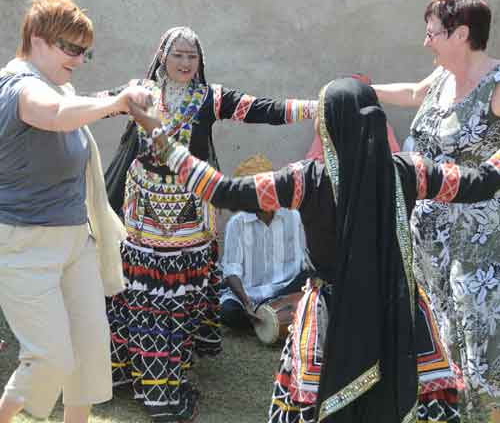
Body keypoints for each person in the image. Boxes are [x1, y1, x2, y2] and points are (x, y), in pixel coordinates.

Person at [128, 77, 500, 422]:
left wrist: (162, 141)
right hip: (398, 311)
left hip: (331, 316)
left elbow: (221, 191)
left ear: (329, 125)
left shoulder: (305, 180)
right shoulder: (409, 172)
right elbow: (482, 183)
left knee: (315, 402)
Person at [99, 26, 318, 422]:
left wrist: (320, 107)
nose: (185, 63)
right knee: (139, 294)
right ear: (162, 55)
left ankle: (168, 370)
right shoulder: (139, 93)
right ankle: (136, 371)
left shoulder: (210, 98)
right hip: (143, 216)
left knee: (181, 297)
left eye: (192, 56)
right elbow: (98, 105)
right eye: (178, 54)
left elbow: (265, 109)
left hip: (190, 218)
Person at [0, 0, 150, 423]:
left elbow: (72, 106)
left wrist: (124, 95)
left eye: (85, 51)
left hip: (73, 240)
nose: (79, 59)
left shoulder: (56, 86)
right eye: (71, 48)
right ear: (38, 39)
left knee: (87, 350)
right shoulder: (20, 88)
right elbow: (53, 114)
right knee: (50, 359)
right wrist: (119, 103)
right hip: (24, 246)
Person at [372, 0, 500, 422]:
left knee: (479, 336)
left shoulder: (496, 87)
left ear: (460, 33)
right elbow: (412, 92)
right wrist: (361, 89)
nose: (425, 42)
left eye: (432, 34)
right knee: (442, 331)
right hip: (429, 241)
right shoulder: (442, 77)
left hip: (478, 243)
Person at [220, 154, 312, 331]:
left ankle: (273, 316)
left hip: (285, 289)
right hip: (250, 294)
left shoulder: (293, 217)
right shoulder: (237, 224)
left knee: (310, 278)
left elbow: (304, 262)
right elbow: (231, 270)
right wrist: (247, 303)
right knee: (228, 312)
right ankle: (268, 317)